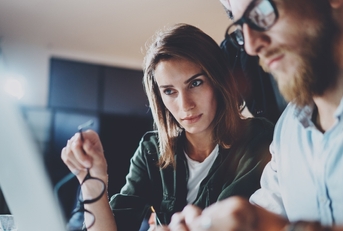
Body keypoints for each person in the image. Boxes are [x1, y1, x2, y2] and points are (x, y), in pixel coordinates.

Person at [61, 23, 274, 231]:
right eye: (169, 91)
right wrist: (91, 179)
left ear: (218, 81)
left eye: (195, 83)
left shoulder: (256, 138)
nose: (185, 105)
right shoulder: (151, 150)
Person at [157, 0, 343, 230]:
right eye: (241, 27)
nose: (251, 47)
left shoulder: (258, 135)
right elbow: (264, 209)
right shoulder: (288, 131)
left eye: (261, 12)